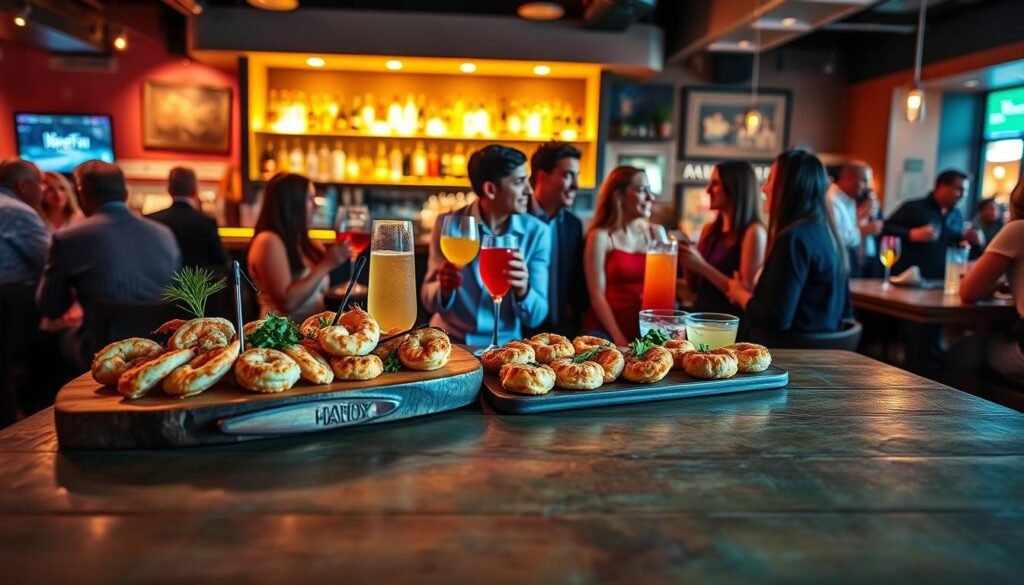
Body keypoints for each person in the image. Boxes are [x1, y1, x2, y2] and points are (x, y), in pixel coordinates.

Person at [36, 161, 181, 370]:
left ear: (82, 195)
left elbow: (50, 307)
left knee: (48, 342)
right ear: (126, 194)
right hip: (160, 349)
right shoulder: (164, 234)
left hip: (101, 351)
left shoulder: (68, 238)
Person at [421, 145, 551, 345]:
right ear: (490, 189)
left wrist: (523, 290)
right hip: (449, 342)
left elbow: (537, 315)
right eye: (519, 182)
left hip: (505, 347)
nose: (529, 190)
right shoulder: (449, 225)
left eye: (527, 181)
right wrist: (444, 290)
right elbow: (428, 299)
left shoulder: (537, 233)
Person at [726, 150, 851, 336]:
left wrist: (738, 293)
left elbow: (774, 319)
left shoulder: (793, 238)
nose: (764, 189)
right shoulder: (826, 234)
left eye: (770, 180)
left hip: (790, 353)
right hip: (822, 353)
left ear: (789, 187)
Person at [949, 177, 1024, 389]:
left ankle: (957, 418)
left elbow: (968, 292)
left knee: (962, 350)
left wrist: (991, 286)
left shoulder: (1017, 229)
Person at [247, 173, 349, 323]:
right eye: (309, 198)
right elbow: (287, 303)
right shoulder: (268, 241)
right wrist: (327, 264)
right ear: (290, 203)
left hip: (309, 334)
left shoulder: (306, 243)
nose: (315, 206)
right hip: (280, 338)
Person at [680, 161, 766, 317]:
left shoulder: (753, 233)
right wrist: (687, 261)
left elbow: (744, 293)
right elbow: (694, 287)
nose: (707, 190)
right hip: (700, 318)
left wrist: (701, 266)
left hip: (729, 322)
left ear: (735, 188)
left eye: (715, 184)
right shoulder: (709, 230)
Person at [582, 166, 657, 346]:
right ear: (619, 196)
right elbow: (596, 296)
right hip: (606, 329)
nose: (651, 198)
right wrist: (619, 339)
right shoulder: (601, 236)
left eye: (650, 190)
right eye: (641, 190)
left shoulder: (656, 233)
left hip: (646, 328)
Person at [524, 142, 587, 338]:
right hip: (518, 332)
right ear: (543, 176)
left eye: (577, 176)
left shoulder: (572, 224)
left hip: (560, 333)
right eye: (568, 175)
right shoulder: (516, 220)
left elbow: (576, 287)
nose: (576, 184)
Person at [882, 170, 979, 280]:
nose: (963, 195)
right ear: (942, 187)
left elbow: (952, 244)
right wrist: (911, 234)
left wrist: (967, 242)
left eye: (965, 191)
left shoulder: (957, 215)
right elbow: (885, 229)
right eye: (959, 189)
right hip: (908, 280)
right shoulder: (913, 207)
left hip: (941, 281)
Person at [147, 167, 229, 270]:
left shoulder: (152, 220)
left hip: (163, 283)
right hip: (196, 284)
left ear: (169, 190)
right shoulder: (206, 222)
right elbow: (220, 260)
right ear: (195, 190)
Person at [827, 162, 882, 277]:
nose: (868, 187)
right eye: (865, 181)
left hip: (855, 265)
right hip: (838, 269)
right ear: (848, 178)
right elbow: (834, 237)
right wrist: (863, 231)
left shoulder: (850, 200)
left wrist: (863, 217)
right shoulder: (832, 200)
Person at [0, 159, 50, 285]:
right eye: (41, 183)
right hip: (10, 298)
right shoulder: (17, 211)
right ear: (22, 186)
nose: (43, 190)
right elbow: (50, 261)